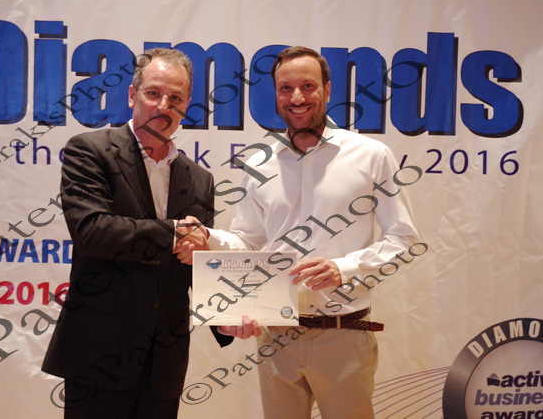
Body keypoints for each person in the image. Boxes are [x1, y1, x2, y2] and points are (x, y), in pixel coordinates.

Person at [178, 46, 421, 418]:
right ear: (275, 94)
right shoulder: (258, 163)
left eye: (308, 86)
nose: (296, 98)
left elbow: (403, 238)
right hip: (275, 335)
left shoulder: (372, 156)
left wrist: (345, 268)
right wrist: (207, 238)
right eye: (285, 88)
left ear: (327, 89)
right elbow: (248, 242)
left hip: (343, 334)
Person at [42, 47, 232, 419]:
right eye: (153, 93)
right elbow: (92, 231)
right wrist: (174, 233)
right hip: (98, 354)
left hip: (164, 362)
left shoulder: (200, 179)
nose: (164, 106)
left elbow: (195, 264)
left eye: (176, 98)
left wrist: (228, 315)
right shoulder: (90, 150)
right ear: (132, 95)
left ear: (187, 105)